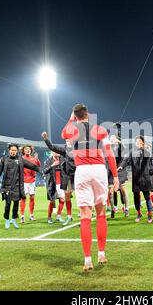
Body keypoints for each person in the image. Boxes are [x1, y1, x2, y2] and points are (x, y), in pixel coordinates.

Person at [61, 104, 119, 272]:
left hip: (82, 172)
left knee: (85, 215)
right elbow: (109, 154)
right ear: (88, 115)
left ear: (75, 116)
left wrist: (71, 118)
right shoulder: (100, 129)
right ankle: (101, 253)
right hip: (99, 170)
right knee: (100, 213)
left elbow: (63, 133)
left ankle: (87, 259)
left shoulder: (72, 129)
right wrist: (115, 176)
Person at [0, 144, 41, 229]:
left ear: (17, 151)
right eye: (12, 150)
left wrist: (41, 170)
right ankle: (7, 219)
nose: (13, 152)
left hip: (18, 186)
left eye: (15, 150)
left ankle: (14, 220)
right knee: (8, 204)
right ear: (9, 150)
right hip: (7, 186)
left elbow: (31, 166)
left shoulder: (20, 160)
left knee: (15, 204)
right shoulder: (4, 159)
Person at [118, 136, 153, 223]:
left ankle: (149, 214)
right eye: (136, 142)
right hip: (136, 178)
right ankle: (139, 213)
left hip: (145, 178)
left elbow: (149, 155)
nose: (138, 143)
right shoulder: (132, 151)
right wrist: (121, 166)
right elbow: (126, 160)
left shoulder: (146, 151)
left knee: (147, 197)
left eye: (140, 141)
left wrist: (144, 148)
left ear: (143, 142)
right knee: (136, 197)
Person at [42, 132, 75, 225]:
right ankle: (68, 216)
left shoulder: (78, 150)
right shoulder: (63, 151)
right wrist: (46, 139)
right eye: (66, 139)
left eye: (70, 139)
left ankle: (85, 216)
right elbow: (52, 147)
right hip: (65, 178)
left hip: (78, 175)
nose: (68, 141)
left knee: (82, 197)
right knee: (65, 198)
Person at [108, 134, 129, 218]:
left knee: (123, 190)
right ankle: (113, 209)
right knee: (110, 192)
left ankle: (126, 208)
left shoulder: (120, 148)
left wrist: (119, 142)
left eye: (113, 138)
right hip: (111, 172)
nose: (112, 139)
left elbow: (124, 148)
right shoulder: (108, 148)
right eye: (111, 138)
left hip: (120, 171)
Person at [43, 152, 67, 224]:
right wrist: (53, 165)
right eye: (55, 152)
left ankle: (58, 216)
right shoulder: (48, 161)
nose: (57, 153)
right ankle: (49, 218)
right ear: (52, 153)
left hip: (61, 183)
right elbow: (45, 171)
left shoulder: (62, 160)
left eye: (57, 152)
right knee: (52, 201)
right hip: (52, 183)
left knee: (62, 200)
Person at [20, 145, 41, 223]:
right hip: (24, 182)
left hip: (32, 181)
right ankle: (22, 216)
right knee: (23, 198)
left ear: (31, 150)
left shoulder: (34, 159)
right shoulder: (21, 159)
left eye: (29, 149)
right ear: (23, 150)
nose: (27, 150)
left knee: (32, 198)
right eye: (26, 149)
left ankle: (31, 215)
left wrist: (37, 159)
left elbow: (39, 167)